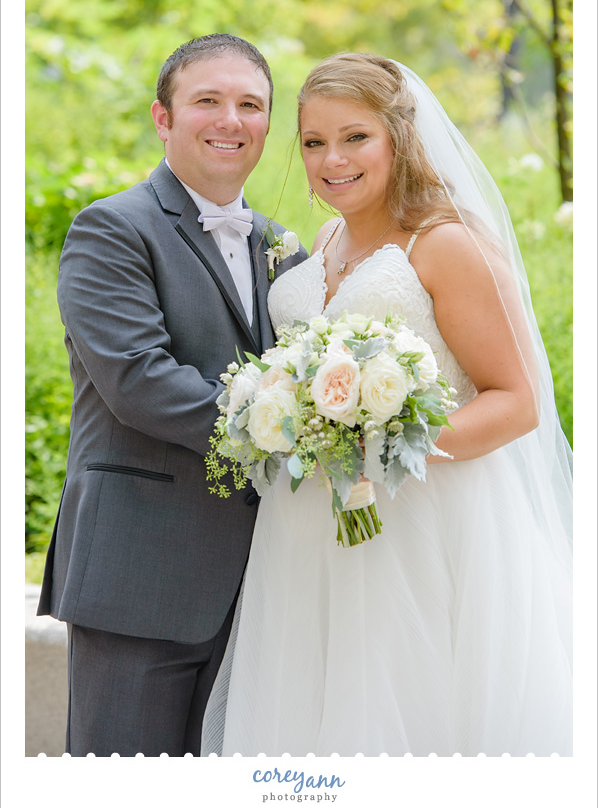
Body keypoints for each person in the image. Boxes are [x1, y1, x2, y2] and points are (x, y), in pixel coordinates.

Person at [201, 53, 573, 756]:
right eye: (313, 142)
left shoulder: (447, 243)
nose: (330, 159)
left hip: (423, 521)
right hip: (310, 525)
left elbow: (518, 400)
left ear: (398, 138)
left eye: (354, 137)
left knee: (407, 707)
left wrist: (385, 444)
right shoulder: (326, 242)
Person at [36, 33, 307, 757]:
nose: (231, 119)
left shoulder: (286, 248)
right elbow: (138, 380)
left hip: (261, 583)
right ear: (163, 117)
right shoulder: (112, 229)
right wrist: (295, 432)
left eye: (251, 104)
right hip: (141, 573)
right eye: (208, 100)